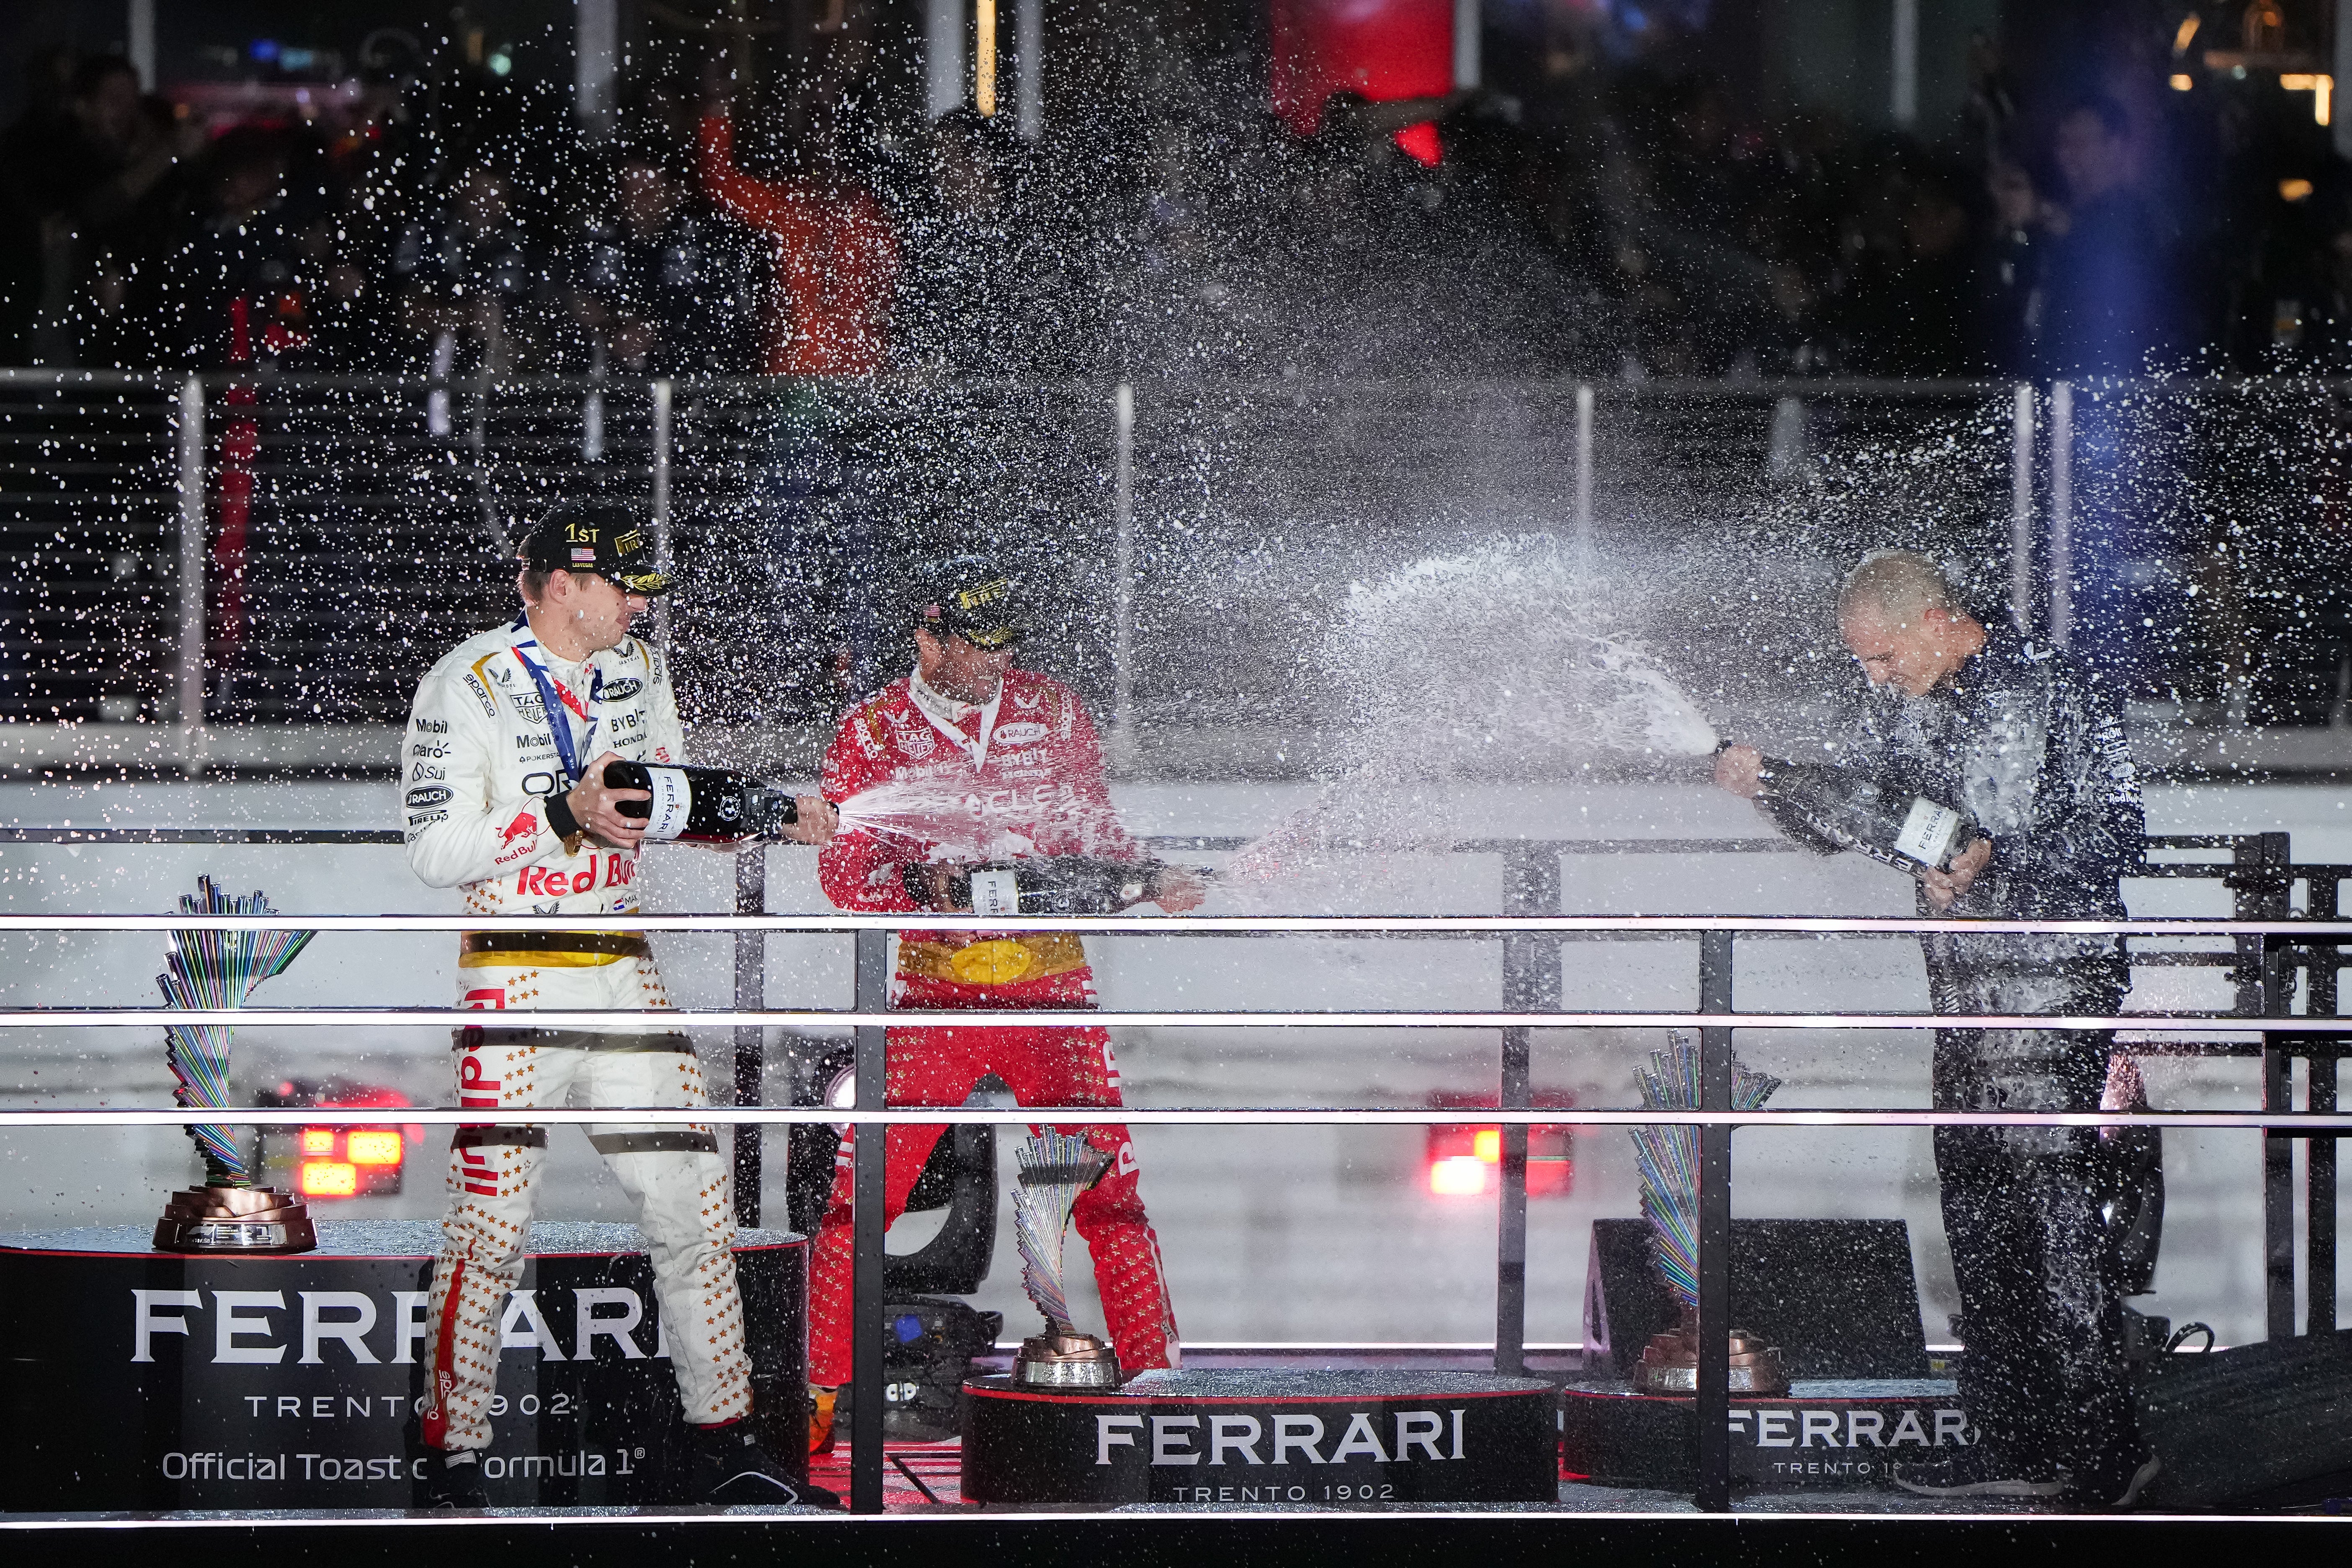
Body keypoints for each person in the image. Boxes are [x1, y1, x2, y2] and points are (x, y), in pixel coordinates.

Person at [401, 500, 840, 1508]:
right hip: (511, 971)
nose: (641, 604)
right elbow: (432, 851)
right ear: (565, 585)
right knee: (491, 1226)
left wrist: (764, 815)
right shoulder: (466, 684)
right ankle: (449, 1455)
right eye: (625, 586)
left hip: (620, 960)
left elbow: (665, 794)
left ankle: (721, 1441)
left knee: (694, 1207)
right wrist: (563, 811)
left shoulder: (637, 670)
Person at [1713, 549, 2156, 1509]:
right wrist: (1776, 786)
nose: (1872, 678)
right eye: (1862, 665)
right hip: (1963, 1000)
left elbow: (2121, 831)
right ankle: (2011, 1439)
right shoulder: (1899, 706)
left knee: (2052, 1219)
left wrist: (2005, 858)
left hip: (2054, 991)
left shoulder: (2059, 685)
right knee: (1982, 1218)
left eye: (1878, 658)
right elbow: (1868, 818)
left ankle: (2100, 1452)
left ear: (1933, 620)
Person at [800, 557, 1200, 1450]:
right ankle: (818, 1398)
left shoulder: (1053, 708)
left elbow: (1092, 830)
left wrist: (1149, 876)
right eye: (976, 650)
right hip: (931, 995)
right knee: (860, 1200)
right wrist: (919, 884)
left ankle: (1157, 1386)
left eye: (1005, 650)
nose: (994, 669)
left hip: (1053, 988)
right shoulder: (871, 729)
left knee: (1110, 1195)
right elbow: (839, 871)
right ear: (927, 636)